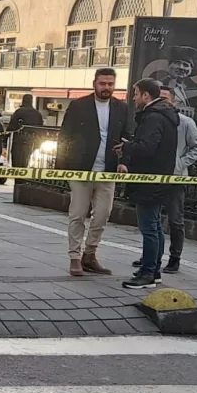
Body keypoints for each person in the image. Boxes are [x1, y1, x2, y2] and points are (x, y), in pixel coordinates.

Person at [56, 68, 131, 277]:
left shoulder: (121, 108)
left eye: (110, 84)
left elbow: (126, 136)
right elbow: (65, 135)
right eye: (102, 83)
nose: (106, 88)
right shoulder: (79, 106)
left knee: (102, 215)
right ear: (94, 84)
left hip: (108, 170)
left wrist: (124, 161)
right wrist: (62, 168)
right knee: (78, 214)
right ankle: (74, 257)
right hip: (81, 169)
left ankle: (89, 254)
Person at [131, 87, 197, 275]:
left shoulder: (184, 122)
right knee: (153, 221)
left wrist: (180, 163)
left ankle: (174, 258)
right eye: (160, 97)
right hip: (155, 176)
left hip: (175, 177)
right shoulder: (152, 119)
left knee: (175, 220)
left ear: (173, 101)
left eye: (166, 99)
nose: (162, 102)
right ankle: (151, 258)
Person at [118, 79, 179, 289]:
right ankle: (153, 270)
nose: (133, 98)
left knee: (149, 228)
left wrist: (127, 148)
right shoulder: (166, 116)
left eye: (136, 94)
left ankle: (148, 274)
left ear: (146, 96)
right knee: (154, 226)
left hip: (149, 180)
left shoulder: (153, 117)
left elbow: (147, 148)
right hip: (158, 178)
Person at [8, 94, 44, 168]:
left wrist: (5, 138)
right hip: (31, 140)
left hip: (19, 139)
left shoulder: (19, 111)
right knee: (26, 160)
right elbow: (40, 128)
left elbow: (12, 126)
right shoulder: (37, 113)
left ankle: (17, 178)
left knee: (16, 161)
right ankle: (23, 177)